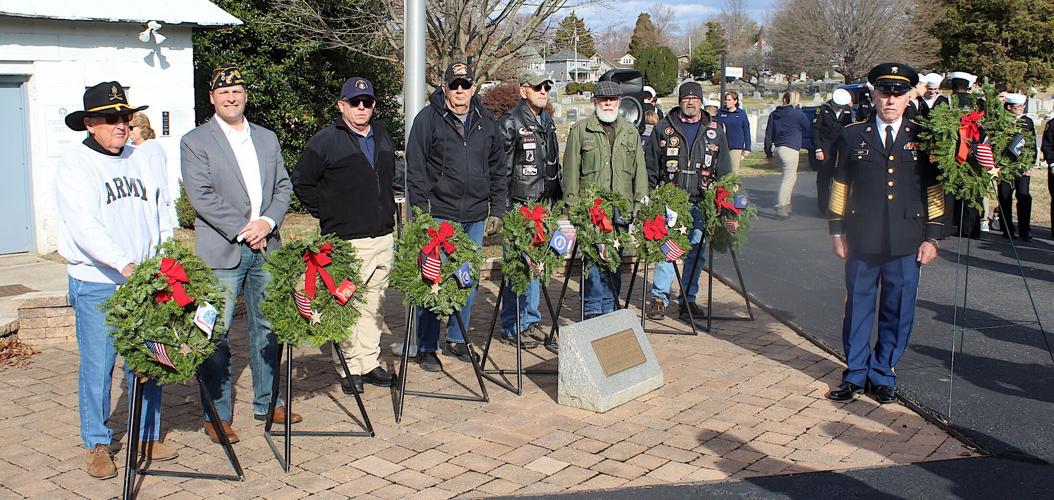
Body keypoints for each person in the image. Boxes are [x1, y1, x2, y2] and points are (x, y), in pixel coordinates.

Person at [57, 81, 177, 478]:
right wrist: (125, 265)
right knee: (99, 365)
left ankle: (147, 434)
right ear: (90, 124)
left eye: (125, 117)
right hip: (98, 281)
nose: (121, 124)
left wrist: (164, 258)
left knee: (149, 358)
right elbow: (84, 227)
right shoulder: (76, 164)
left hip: (145, 280)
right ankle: (96, 442)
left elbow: (160, 211)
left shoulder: (140, 159)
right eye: (111, 118)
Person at [180, 66, 298, 444]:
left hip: (267, 246)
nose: (231, 98)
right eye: (223, 93)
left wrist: (267, 222)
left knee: (269, 326)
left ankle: (269, 401)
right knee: (214, 330)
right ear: (212, 98)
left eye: (237, 91)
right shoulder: (195, 141)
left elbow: (283, 186)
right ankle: (216, 414)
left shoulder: (266, 138)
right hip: (223, 250)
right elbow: (200, 195)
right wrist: (245, 229)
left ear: (245, 96)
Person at [826, 63, 943, 405]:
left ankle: (883, 373)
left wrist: (932, 237)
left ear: (908, 98)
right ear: (874, 95)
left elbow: (934, 189)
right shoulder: (852, 135)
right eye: (884, 93)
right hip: (862, 236)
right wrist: (836, 231)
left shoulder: (923, 137)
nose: (890, 100)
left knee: (898, 308)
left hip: (907, 238)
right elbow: (840, 185)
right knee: (858, 308)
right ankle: (855, 373)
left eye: (898, 94)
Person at [291, 77, 397, 394]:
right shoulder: (325, 141)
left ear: (373, 105)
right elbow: (302, 182)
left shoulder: (382, 135)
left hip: (382, 236)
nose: (361, 107)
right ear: (342, 106)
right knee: (345, 304)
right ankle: (349, 367)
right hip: (347, 240)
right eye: (354, 102)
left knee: (374, 306)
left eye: (367, 102)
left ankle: (369, 362)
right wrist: (328, 212)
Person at [405, 62, 507, 372]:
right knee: (432, 279)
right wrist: (421, 213)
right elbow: (415, 168)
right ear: (445, 88)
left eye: (465, 84)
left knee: (466, 279)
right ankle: (426, 346)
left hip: (474, 215)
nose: (459, 90)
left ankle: (457, 338)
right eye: (454, 85)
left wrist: (497, 210)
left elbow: (498, 168)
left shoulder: (486, 121)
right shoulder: (427, 119)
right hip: (439, 215)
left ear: (474, 87)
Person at [644, 81, 732, 322]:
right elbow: (651, 166)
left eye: (695, 99)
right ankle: (659, 298)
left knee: (696, 251)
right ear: (680, 101)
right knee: (667, 250)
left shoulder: (715, 130)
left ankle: (687, 298)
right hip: (672, 200)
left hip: (701, 200)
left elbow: (724, 168)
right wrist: (647, 196)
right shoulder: (664, 127)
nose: (690, 102)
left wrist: (725, 200)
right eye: (686, 99)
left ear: (701, 102)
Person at [562, 80, 648, 319]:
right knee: (592, 260)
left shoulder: (630, 132)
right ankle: (592, 307)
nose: (608, 103)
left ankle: (610, 305)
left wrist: (639, 203)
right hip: (591, 210)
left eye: (612, 99)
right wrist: (572, 206)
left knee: (614, 259)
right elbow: (570, 171)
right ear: (595, 101)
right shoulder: (580, 130)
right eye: (603, 99)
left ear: (619, 102)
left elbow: (639, 171)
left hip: (620, 209)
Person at [496, 71, 561, 348]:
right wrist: (505, 209)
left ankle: (530, 320)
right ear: (524, 91)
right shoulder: (510, 122)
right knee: (518, 267)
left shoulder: (547, 121)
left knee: (537, 267)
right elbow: (501, 169)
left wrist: (557, 198)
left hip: (543, 205)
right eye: (537, 87)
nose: (543, 91)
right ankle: (512, 325)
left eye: (547, 86)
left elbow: (553, 162)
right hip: (519, 205)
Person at [947, 71, 982, 239]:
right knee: (973, 189)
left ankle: (955, 224)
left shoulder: (948, 102)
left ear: (953, 87)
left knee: (953, 188)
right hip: (975, 150)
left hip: (954, 151)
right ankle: (973, 228)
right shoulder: (978, 103)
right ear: (968, 87)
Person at [995, 93, 1035, 241]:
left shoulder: (1027, 122)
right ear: (1009, 107)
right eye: (1018, 107)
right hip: (1005, 165)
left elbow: (1032, 144)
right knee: (1005, 197)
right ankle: (1007, 229)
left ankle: (1025, 230)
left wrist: (1030, 164)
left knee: (1024, 196)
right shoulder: (1001, 121)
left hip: (1022, 166)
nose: (1021, 109)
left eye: (1023, 106)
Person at [765, 91, 810, 218]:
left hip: (779, 148)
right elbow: (807, 125)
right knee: (788, 179)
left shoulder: (774, 114)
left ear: (784, 100)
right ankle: (781, 206)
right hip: (791, 147)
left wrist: (768, 153)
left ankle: (787, 205)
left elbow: (769, 134)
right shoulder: (797, 113)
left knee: (790, 177)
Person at [128, 112, 175, 227]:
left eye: (132, 128)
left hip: (152, 203)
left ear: (142, 128)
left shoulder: (152, 147)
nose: (129, 131)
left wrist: (162, 202)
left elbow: (159, 176)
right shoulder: (133, 148)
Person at [811, 88, 854, 213]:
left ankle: (839, 206)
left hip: (841, 146)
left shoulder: (847, 110)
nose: (840, 108)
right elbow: (816, 130)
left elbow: (848, 128)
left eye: (842, 106)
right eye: (839, 106)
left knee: (841, 176)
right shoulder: (822, 110)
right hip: (825, 146)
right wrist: (818, 148)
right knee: (824, 177)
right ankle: (823, 206)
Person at [716, 91, 751, 173]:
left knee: (733, 171)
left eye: (729, 100)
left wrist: (747, 147)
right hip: (722, 145)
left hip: (735, 146)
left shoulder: (741, 113)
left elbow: (746, 130)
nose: (727, 102)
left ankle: (733, 182)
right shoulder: (720, 113)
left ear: (735, 101)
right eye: (726, 100)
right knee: (722, 170)